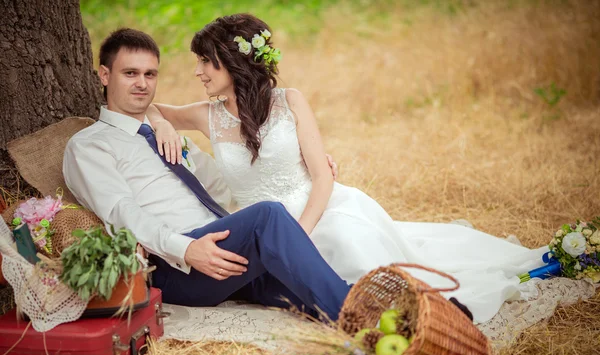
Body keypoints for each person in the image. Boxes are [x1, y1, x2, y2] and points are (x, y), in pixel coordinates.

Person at [148, 13, 550, 324]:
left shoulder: (290, 102)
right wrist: (164, 122)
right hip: (260, 224)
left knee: (348, 245)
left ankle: (412, 310)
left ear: (234, 62)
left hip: (316, 209)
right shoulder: (206, 115)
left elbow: (323, 176)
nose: (197, 71)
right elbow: (141, 103)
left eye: (205, 61)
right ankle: (370, 316)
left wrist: (300, 231)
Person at [62, 28, 352, 321]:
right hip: (175, 265)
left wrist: (295, 162)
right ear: (104, 75)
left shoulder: (170, 139)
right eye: (130, 73)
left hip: (223, 249)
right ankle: (354, 316)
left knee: (312, 290)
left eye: (150, 74)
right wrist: (187, 249)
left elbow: (226, 186)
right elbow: (122, 215)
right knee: (268, 216)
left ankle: (375, 319)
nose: (142, 83)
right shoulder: (89, 146)